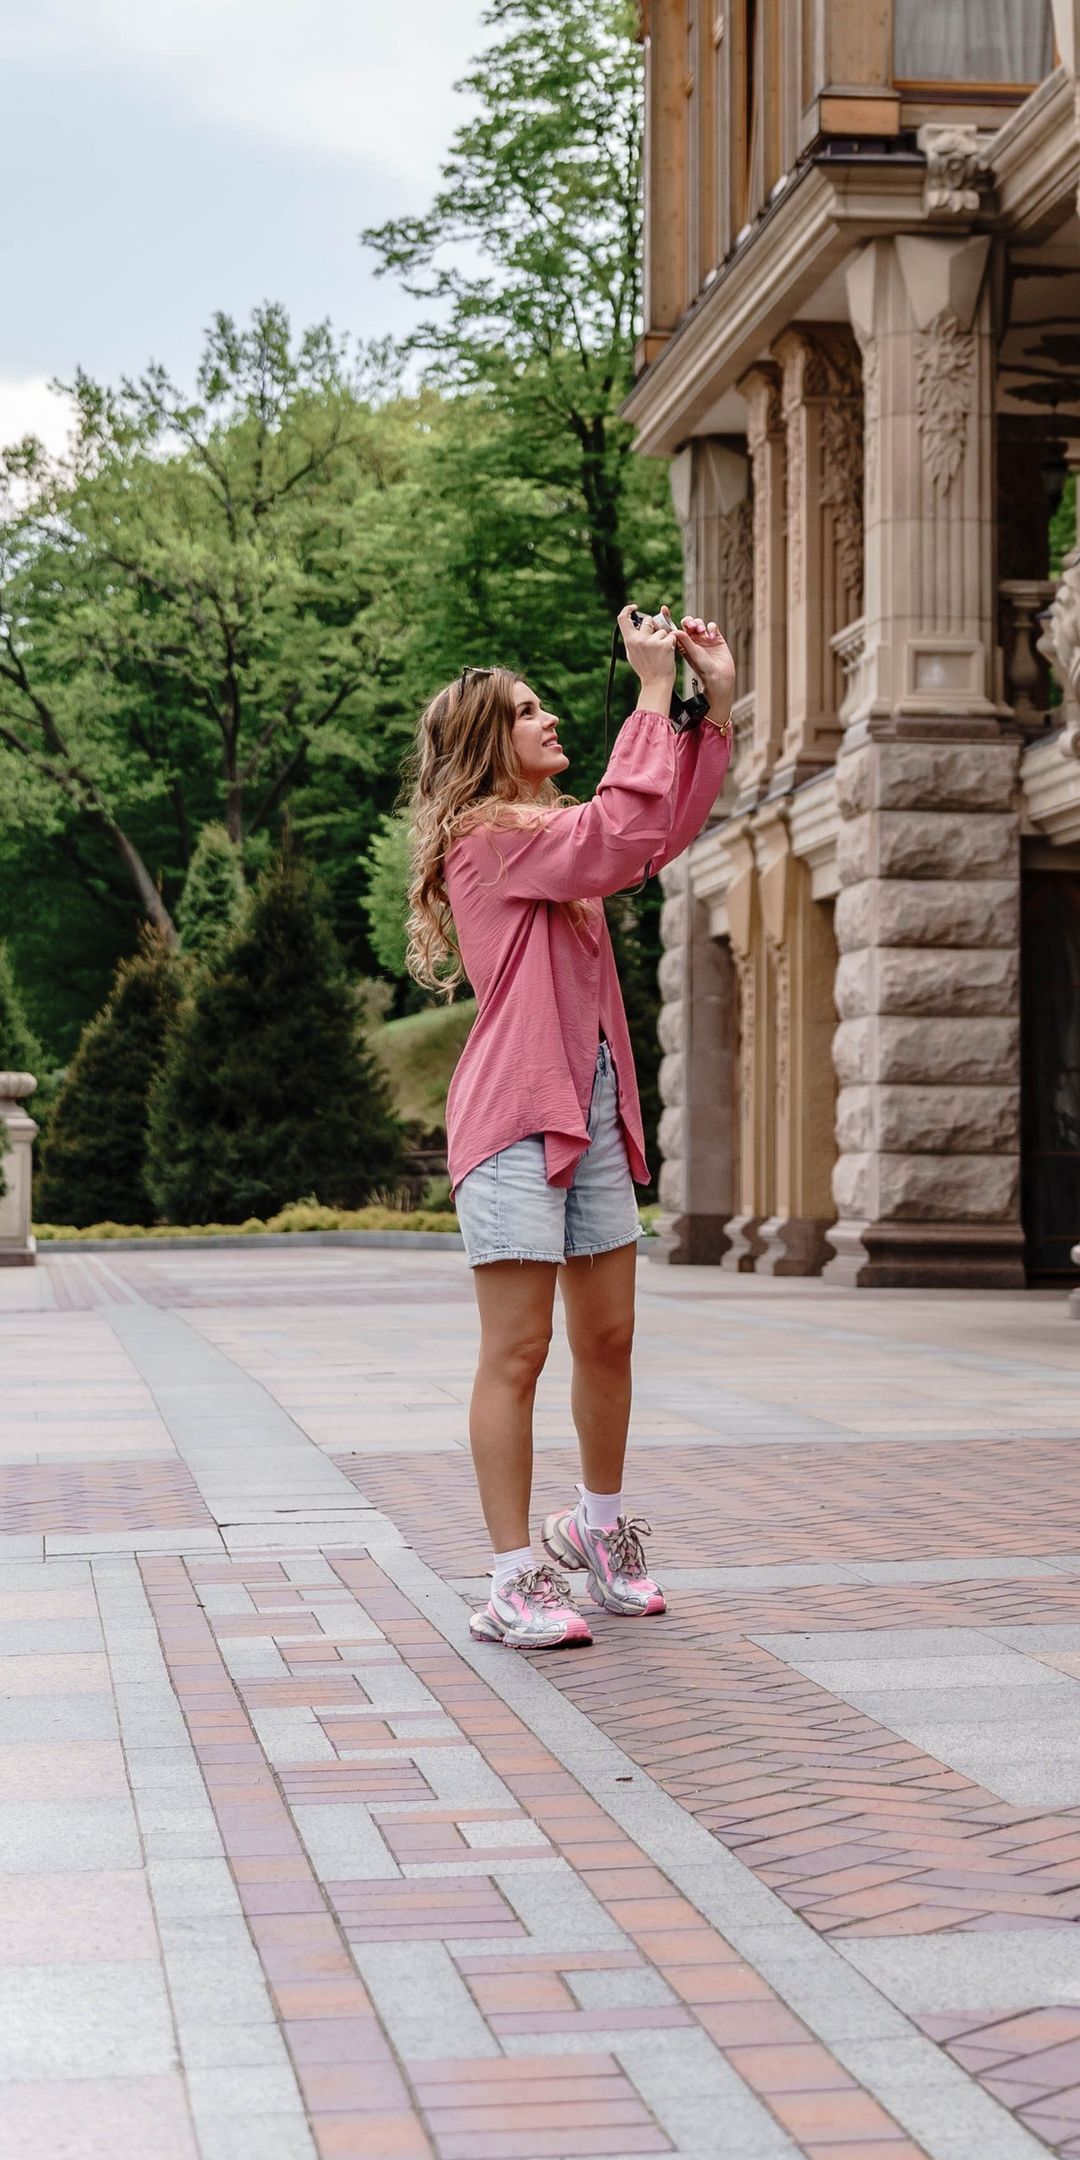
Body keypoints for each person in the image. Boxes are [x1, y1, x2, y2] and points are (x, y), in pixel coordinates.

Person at [405, 605, 734, 1649]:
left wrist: (707, 702)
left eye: (544, 704)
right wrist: (648, 692)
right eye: (526, 711)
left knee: (609, 1338)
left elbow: (651, 833)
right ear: (485, 745)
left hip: (590, 1113)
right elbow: (613, 833)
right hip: (514, 1117)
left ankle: (595, 1536)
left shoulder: (551, 836)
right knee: (520, 1352)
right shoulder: (486, 841)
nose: (548, 719)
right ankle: (509, 1579)